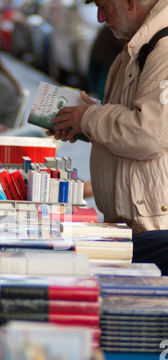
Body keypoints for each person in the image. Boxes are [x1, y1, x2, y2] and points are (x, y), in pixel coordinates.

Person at [47, 0, 168, 237]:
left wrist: (89, 118)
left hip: (151, 224)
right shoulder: (140, 44)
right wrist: (85, 122)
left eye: (104, 6)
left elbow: (149, 135)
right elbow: (134, 119)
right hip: (138, 218)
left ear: (130, 2)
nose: (100, 18)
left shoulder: (162, 49)